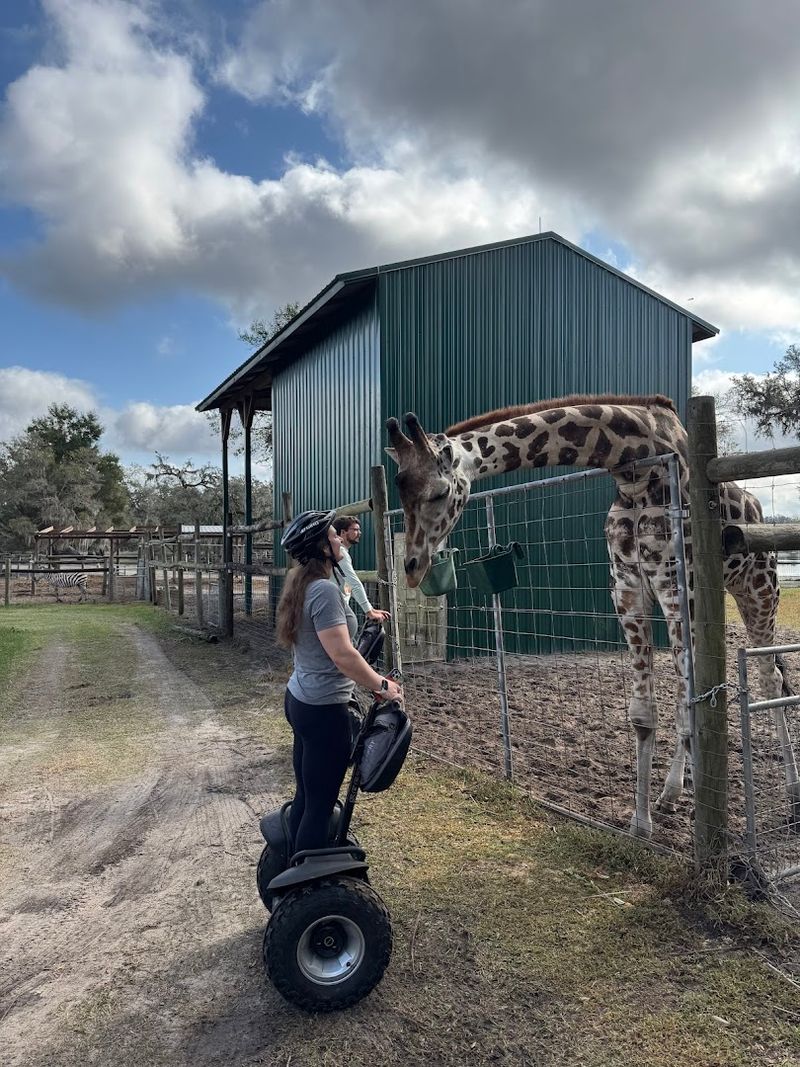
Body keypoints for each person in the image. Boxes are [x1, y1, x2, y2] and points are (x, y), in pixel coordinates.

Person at [277, 510, 403, 854]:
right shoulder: (324, 592)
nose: (340, 540)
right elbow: (342, 655)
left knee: (307, 796)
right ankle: (308, 878)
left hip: (301, 698)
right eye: (334, 536)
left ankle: (291, 861)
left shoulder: (302, 583)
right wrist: (382, 686)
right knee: (320, 804)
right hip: (324, 710)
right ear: (323, 548)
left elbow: (333, 649)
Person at [330, 515, 390, 622]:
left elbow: (348, 585)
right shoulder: (341, 553)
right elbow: (355, 584)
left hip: (336, 607)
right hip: (335, 610)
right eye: (355, 530)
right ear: (343, 532)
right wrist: (369, 612)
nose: (359, 533)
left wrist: (371, 608)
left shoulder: (341, 552)